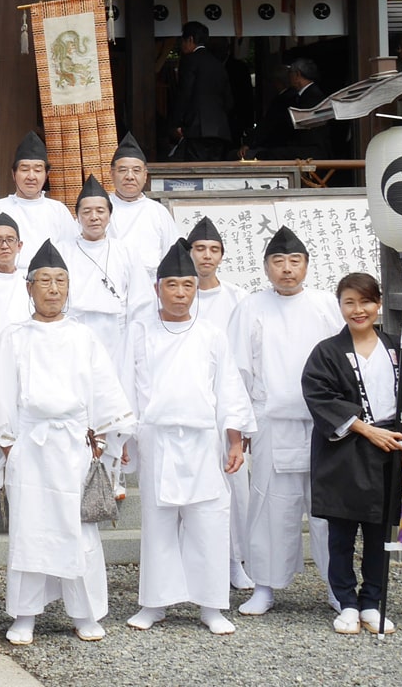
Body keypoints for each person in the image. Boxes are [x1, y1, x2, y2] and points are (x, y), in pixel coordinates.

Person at [0, 241, 136, 645]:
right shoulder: (13, 337)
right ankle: (25, 615)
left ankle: (84, 614)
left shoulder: (83, 337)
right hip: (30, 448)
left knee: (79, 530)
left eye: (61, 281)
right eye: (45, 281)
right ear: (29, 288)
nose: (53, 289)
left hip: (73, 445)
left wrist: (104, 439)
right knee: (29, 530)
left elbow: (106, 393)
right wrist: (7, 444)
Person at [124, 242, 254, 636]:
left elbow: (229, 388)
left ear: (195, 289)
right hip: (158, 438)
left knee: (208, 522)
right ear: (157, 288)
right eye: (172, 285)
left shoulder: (212, 334)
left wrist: (234, 439)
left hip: (203, 441)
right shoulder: (139, 330)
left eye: (187, 285)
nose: (180, 293)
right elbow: (125, 385)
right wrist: (122, 443)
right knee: (159, 523)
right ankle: (154, 604)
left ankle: (212, 605)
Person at [228, 226, 343, 616]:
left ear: (307, 265)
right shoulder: (251, 307)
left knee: (328, 511)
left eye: (295, 261)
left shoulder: (327, 304)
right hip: (271, 422)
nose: (287, 269)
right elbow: (237, 370)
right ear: (265, 267)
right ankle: (264, 586)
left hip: (324, 424)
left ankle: (338, 585)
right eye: (278, 261)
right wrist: (239, 425)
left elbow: (344, 363)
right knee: (269, 508)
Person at [302, 273, 402, 636]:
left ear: (378, 304)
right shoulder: (327, 351)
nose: (358, 310)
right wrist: (366, 428)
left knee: (380, 532)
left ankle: (373, 603)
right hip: (344, 453)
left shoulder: (398, 349)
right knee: (341, 533)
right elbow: (320, 397)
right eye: (349, 302)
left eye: (365, 302)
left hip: (388, 450)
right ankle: (346, 602)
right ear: (340, 306)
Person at [186, 216, 253, 589]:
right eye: (199, 249)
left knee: (235, 489)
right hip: (189, 404)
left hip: (227, 404)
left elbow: (243, 359)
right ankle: (193, 565)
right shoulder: (178, 293)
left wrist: (242, 418)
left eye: (213, 250)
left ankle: (235, 560)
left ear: (222, 256)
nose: (206, 256)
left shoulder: (237, 298)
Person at [61, 175, 138, 386]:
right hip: (74, 329)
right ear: (76, 216)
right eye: (86, 211)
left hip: (116, 332)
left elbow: (140, 300)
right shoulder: (63, 250)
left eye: (100, 211)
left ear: (110, 215)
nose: (94, 217)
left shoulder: (125, 251)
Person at [0, 132, 74, 275]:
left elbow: (72, 256)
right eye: (24, 169)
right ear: (13, 173)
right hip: (4, 284)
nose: (31, 176)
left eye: (38, 170)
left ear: (47, 175)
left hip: (46, 285)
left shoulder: (59, 211)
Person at [106, 133, 177, 304]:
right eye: (123, 170)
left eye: (136, 170)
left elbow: (173, 257)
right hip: (108, 291)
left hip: (151, 294)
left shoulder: (158, 212)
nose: (130, 176)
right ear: (111, 174)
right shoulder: (99, 207)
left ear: (145, 175)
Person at [171, 22, 233, 161]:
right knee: (214, 172)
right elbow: (228, 100)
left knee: (196, 173)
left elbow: (185, 93)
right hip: (219, 130)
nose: (182, 45)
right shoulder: (219, 64)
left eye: (183, 40)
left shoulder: (189, 60)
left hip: (196, 129)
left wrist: (178, 123)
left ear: (190, 39)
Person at [244, 59, 329, 160]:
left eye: (290, 73)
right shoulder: (304, 94)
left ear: (297, 75)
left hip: (311, 149)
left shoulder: (312, 95)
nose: (288, 77)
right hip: (305, 146)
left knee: (266, 155)